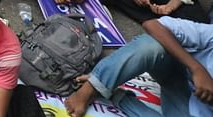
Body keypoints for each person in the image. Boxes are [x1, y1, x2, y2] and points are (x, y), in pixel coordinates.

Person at [64, 17, 213, 117]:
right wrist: (197, 68)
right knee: (152, 45)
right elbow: (153, 25)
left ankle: (115, 95)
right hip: (179, 77)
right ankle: (91, 87)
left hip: (191, 111)